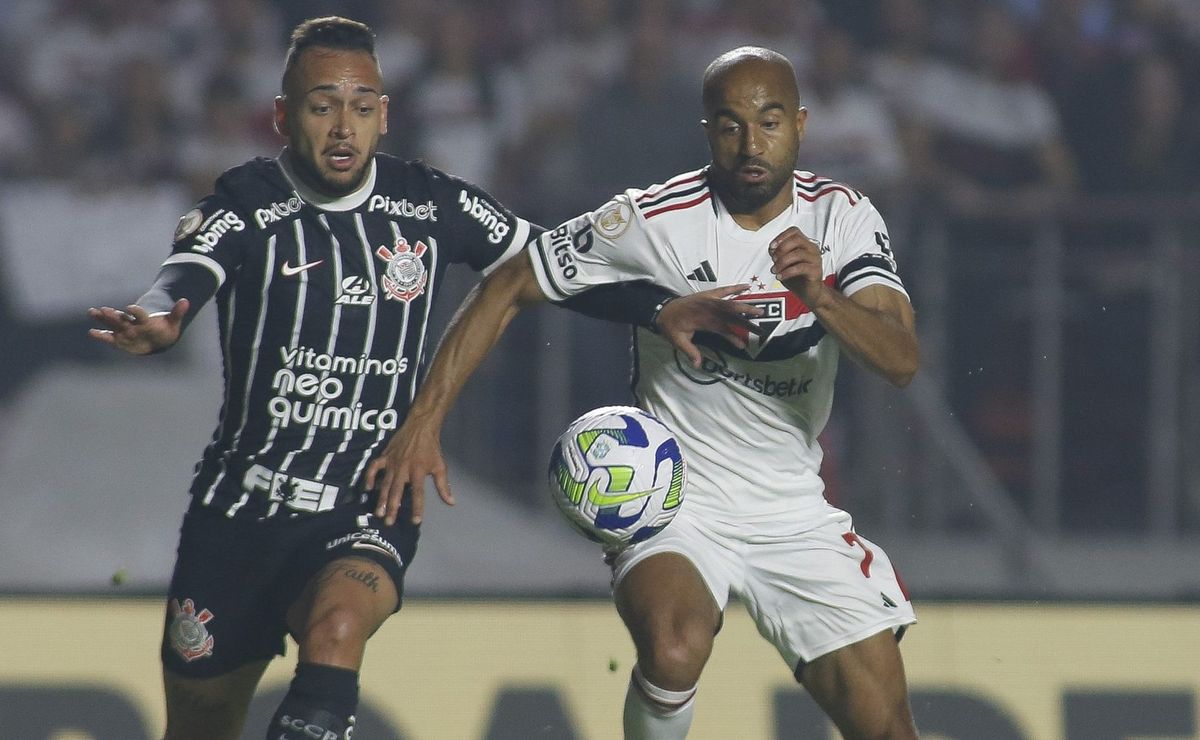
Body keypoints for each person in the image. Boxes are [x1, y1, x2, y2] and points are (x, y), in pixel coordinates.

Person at [86, 17, 752, 740]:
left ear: (384, 115)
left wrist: (659, 308)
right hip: (240, 510)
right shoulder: (249, 204)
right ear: (283, 116)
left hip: (367, 497)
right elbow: (188, 271)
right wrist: (159, 316)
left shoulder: (429, 203)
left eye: (362, 106)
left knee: (338, 628)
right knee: (200, 724)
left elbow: (548, 264)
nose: (344, 126)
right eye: (322, 106)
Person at [369, 46, 921, 738]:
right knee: (674, 645)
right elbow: (510, 280)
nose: (751, 143)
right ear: (706, 132)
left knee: (886, 728)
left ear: (802, 126)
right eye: (730, 125)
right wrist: (425, 421)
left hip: (792, 509)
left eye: (770, 122)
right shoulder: (651, 218)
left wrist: (824, 299)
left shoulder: (842, 218)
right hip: (675, 497)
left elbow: (901, 359)